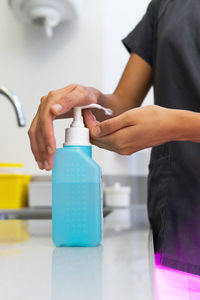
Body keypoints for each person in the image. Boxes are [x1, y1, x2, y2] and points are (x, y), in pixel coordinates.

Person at [28, 0, 200, 275]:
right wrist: (91, 99)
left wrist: (178, 125)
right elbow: (121, 105)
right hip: (178, 222)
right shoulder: (166, 6)